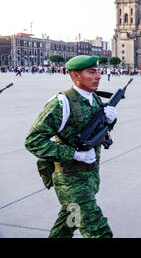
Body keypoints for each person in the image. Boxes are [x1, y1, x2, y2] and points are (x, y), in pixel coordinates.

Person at [24, 55, 117, 238]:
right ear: (76, 76)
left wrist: (110, 121)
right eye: (91, 72)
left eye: (98, 71)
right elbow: (33, 141)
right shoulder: (61, 103)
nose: (98, 76)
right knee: (98, 231)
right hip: (70, 181)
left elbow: (97, 133)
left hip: (89, 177)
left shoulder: (94, 100)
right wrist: (73, 154)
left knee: (67, 224)